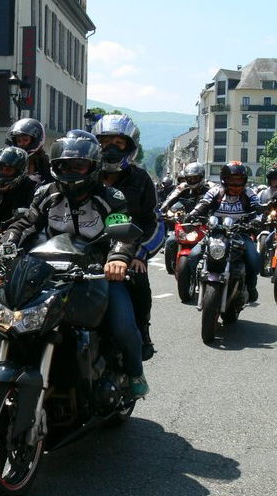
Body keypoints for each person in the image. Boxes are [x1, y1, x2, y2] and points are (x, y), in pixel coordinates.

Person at [2, 130, 148, 398]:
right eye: (64, 165)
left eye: (79, 165)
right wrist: (8, 241)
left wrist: (116, 258)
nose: (71, 170)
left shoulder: (111, 197)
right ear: (55, 167)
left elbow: (123, 231)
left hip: (97, 274)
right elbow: (26, 223)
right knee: (13, 317)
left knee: (123, 326)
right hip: (48, 271)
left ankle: (135, 372)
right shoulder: (46, 192)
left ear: (93, 167)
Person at [92, 114, 164, 361]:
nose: (110, 148)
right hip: (85, 251)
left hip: (127, 253)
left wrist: (141, 254)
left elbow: (154, 222)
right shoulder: (85, 175)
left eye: (118, 143)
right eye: (105, 142)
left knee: (139, 281)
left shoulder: (141, 179)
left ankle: (142, 332)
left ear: (130, 147)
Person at [185, 161, 262, 302]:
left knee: (253, 258)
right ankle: (196, 282)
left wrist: (257, 220)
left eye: (239, 180)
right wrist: (193, 214)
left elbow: (259, 208)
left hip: (240, 233)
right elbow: (204, 203)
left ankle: (251, 287)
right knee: (193, 256)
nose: (236, 183)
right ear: (224, 179)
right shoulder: (216, 191)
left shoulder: (249, 193)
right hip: (215, 233)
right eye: (232, 179)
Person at [160, 161, 213, 272]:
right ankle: (173, 265)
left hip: (206, 225)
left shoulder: (211, 188)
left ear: (202, 177)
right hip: (186, 223)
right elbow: (170, 199)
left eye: (195, 178)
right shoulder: (183, 187)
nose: (192, 181)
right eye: (190, 178)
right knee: (171, 240)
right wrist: (162, 210)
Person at [5, 118, 51, 184]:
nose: (21, 144)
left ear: (34, 140)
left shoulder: (45, 163)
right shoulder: (11, 161)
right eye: (18, 141)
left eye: (25, 140)